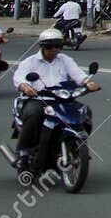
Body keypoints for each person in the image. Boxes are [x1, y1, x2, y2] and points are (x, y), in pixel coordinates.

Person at [12, 29, 99, 174]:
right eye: (50, 46)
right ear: (42, 46)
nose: (54, 50)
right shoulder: (30, 62)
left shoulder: (65, 59)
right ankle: (24, 154)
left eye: (58, 46)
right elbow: (19, 78)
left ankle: (74, 145)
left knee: (84, 111)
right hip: (39, 99)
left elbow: (78, 75)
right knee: (35, 114)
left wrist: (87, 82)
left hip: (62, 99)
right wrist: (25, 86)